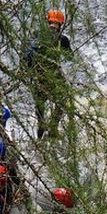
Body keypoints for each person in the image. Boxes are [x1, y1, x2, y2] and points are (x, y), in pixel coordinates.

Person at [26, 9, 72, 139]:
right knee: (64, 98)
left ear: (48, 21)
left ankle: (40, 131)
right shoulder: (62, 39)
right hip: (54, 76)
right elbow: (70, 57)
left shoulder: (35, 34)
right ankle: (53, 127)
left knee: (40, 105)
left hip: (38, 75)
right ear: (60, 24)